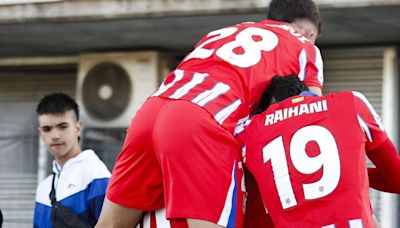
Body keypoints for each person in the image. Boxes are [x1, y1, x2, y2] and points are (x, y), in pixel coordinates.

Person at [96, 0, 324, 227]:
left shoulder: (224, 32)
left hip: (150, 111)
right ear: (310, 32)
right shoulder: (305, 46)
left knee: (109, 224)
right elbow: (310, 114)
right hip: (202, 120)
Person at [239, 76, 400, 227]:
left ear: (271, 105)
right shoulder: (352, 103)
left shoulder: (250, 130)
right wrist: (350, 171)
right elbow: (396, 179)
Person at [33, 93, 111, 228]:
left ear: (78, 128)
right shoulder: (43, 189)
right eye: (47, 129)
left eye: (62, 127)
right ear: (40, 133)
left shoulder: (95, 174)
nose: (55, 136)